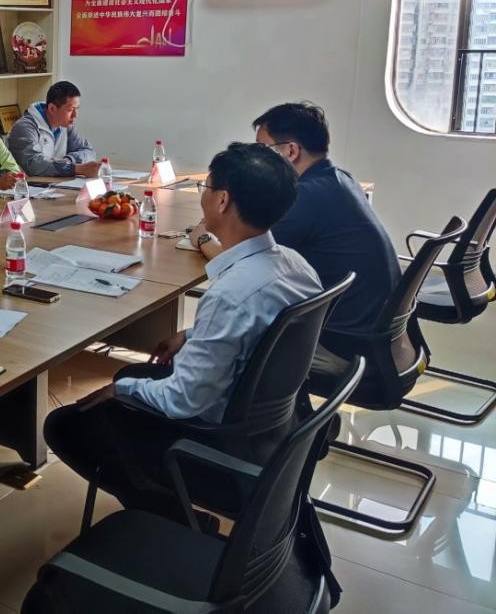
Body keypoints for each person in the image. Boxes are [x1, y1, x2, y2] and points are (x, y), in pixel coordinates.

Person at [44, 142, 321, 518]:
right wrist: (190, 336)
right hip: (272, 434)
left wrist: (121, 390)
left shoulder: (231, 295)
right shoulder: (297, 266)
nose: (203, 194)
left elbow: (185, 401)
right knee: (132, 375)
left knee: (65, 425)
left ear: (222, 201)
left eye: (206, 187)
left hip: (218, 449)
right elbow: (261, 329)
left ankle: (169, 516)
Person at [188, 102, 402, 373]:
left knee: (231, 344)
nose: (257, 158)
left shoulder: (303, 198)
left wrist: (203, 240)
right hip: (370, 333)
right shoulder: (339, 179)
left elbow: (244, 263)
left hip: (339, 344)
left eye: (263, 149)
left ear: (290, 151)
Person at [6, 80, 100, 177]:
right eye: (70, 110)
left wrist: (69, 161)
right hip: (26, 184)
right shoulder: (25, 127)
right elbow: (34, 165)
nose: (75, 115)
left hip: (55, 183)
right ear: (52, 109)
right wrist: (75, 168)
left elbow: (89, 152)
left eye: (77, 109)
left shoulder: (66, 125)